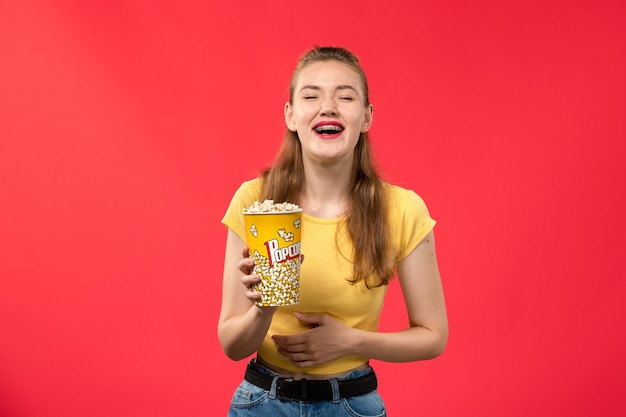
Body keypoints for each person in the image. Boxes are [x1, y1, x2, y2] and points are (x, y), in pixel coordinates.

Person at [219, 46, 448, 416]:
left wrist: (348, 341)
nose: (328, 106)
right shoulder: (255, 199)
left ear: (367, 116)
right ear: (291, 115)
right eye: (311, 95)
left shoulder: (403, 209)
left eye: (345, 96)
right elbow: (231, 344)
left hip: (353, 404)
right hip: (261, 403)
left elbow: (433, 336)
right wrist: (264, 307)